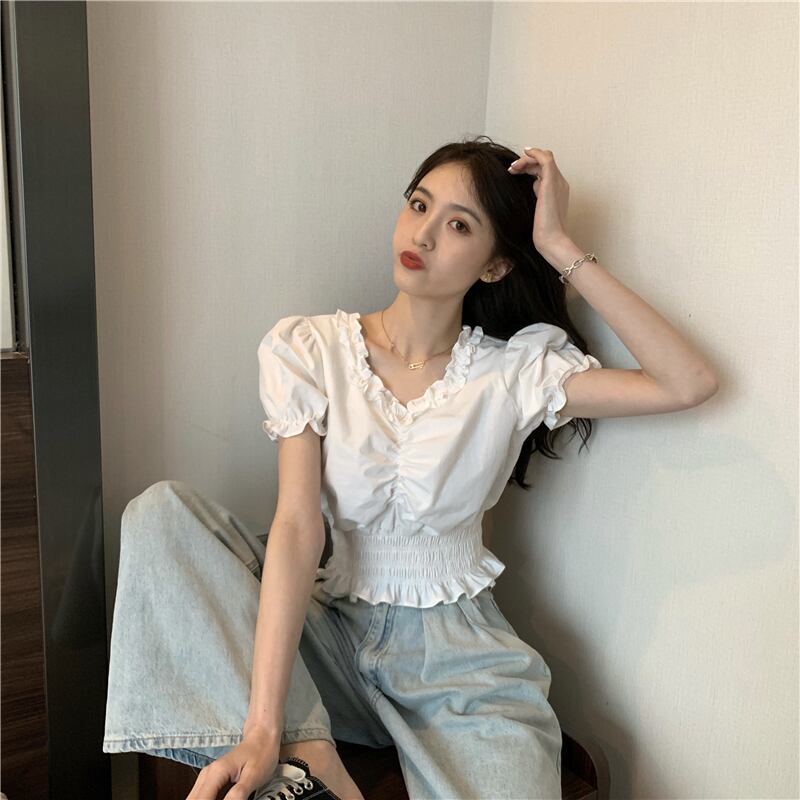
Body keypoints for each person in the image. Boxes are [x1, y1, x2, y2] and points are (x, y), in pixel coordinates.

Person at [102, 137, 719, 800]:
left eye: (459, 226)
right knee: (161, 514)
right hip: (327, 638)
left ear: (495, 265)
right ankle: (311, 754)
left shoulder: (514, 371)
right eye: (419, 205)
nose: (422, 233)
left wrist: (558, 245)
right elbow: (297, 526)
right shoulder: (312, 348)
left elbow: (686, 382)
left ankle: (312, 754)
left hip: (458, 664)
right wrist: (265, 726)